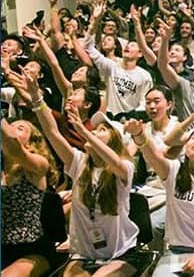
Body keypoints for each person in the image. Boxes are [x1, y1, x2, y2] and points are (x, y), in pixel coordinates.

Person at [10, 68, 140, 276]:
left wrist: (83, 130)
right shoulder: (79, 162)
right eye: (94, 130)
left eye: (102, 130)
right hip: (84, 253)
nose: (95, 133)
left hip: (121, 252)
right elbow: (52, 132)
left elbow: (114, 161)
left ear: (114, 141)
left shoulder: (124, 167)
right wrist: (36, 98)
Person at [128, 120, 194, 277]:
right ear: (185, 149)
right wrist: (139, 134)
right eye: (193, 138)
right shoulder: (174, 172)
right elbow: (152, 154)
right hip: (175, 253)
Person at [1, 118, 59, 276]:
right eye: (10, 126)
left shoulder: (39, 164)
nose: (10, 130)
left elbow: (14, 150)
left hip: (32, 249)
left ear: (31, 141)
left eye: (19, 128)